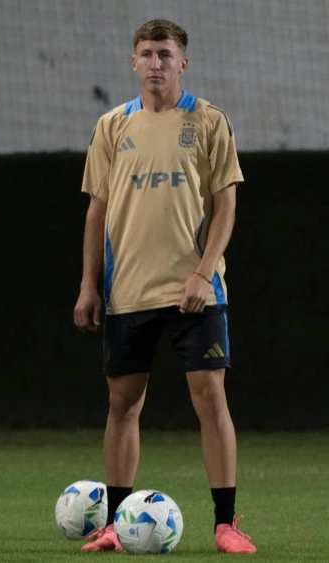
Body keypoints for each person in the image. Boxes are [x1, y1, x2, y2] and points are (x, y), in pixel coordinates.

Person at [73, 19, 255, 555]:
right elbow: (96, 211)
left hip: (196, 294)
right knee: (122, 405)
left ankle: (226, 525)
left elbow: (226, 206)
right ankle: (113, 524)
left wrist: (203, 272)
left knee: (210, 399)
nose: (155, 63)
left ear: (183, 62)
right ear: (134, 63)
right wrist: (89, 285)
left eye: (165, 54)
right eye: (146, 54)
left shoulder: (208, 121)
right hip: (127, 292)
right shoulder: (111, 126)